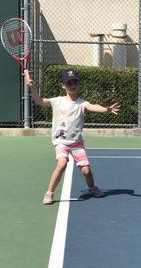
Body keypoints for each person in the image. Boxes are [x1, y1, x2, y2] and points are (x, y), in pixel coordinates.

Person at [25, 69, 120, 205]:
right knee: (62, 163)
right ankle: (49, 193)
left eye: (74, 81)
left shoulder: (82, 103)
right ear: (63, 85)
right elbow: (39, 101)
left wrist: (106, 109)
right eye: (68, 82)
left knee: (86, 171)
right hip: (61, 142)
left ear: (79, 83)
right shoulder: (57, 101)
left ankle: (92, 188)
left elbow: (93, 106)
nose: (72, 84)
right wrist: (33, 88)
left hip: (77, 143)